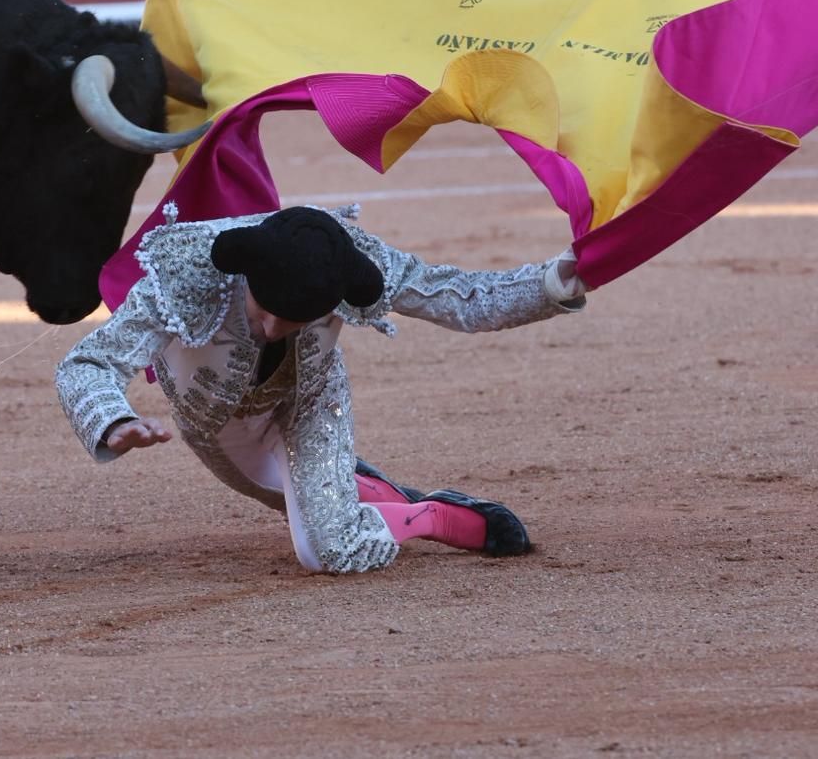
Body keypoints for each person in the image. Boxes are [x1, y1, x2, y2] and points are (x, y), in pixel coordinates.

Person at [55, 203, 587, 574]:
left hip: (312, 402)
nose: (272, 331)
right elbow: (89, 362)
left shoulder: (354, 259)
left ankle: (435, 516)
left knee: (329, 549)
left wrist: (551, 283)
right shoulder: (189, 272)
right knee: (306, 507)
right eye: (266, 313)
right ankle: (361, 491)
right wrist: (114, 419)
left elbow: (460, 297)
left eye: (294, 321)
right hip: (217, 428)